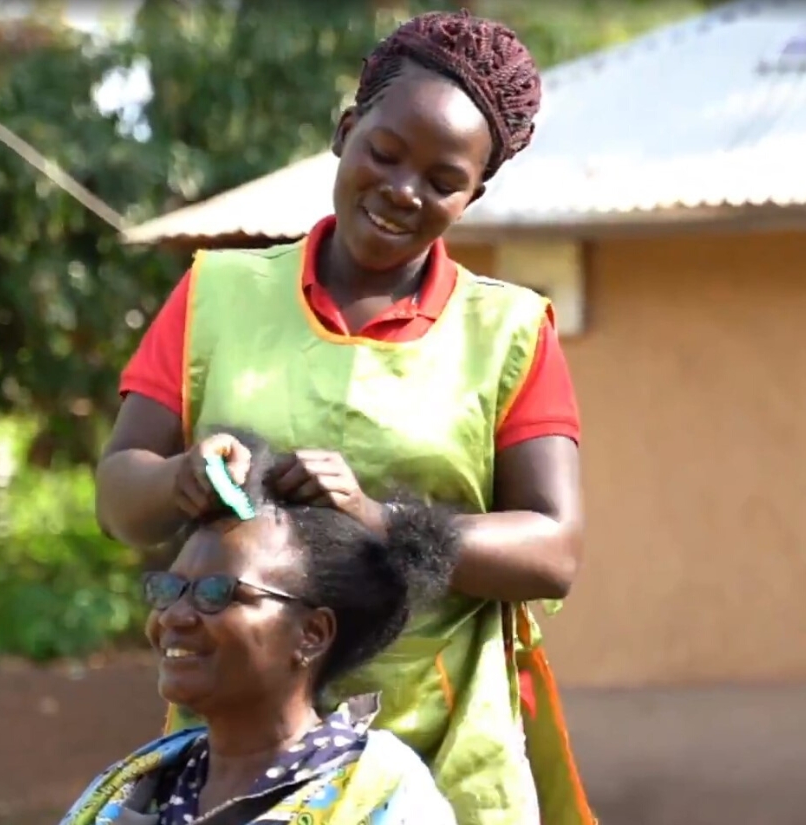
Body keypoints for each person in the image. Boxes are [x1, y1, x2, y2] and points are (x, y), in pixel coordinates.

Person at [97, 9, 593, 825]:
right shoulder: (217, 293)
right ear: (345, 130)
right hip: (237, 756)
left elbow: (554, 547)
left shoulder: (508, 332)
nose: (403, 191)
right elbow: (120, 493)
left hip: (443, 756)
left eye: (442, 180)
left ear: (474, 194)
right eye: (386, 154)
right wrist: (183, 477)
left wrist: (383, 521)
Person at [63, 428, 459, 825]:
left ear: (313, 634)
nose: (173, 616)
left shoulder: (382, 796)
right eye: (168, 589)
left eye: (217, 593)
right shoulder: (134, 790)